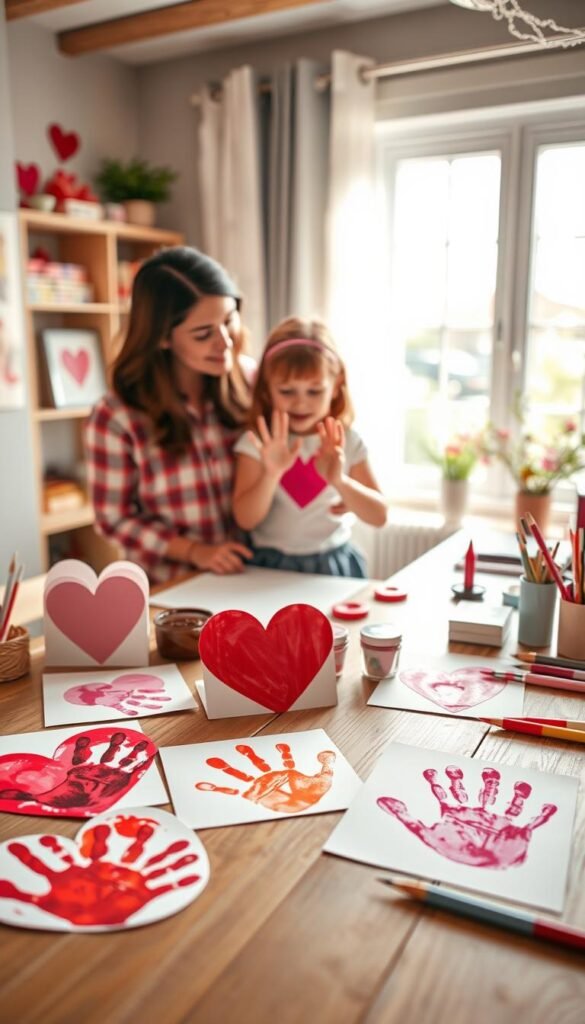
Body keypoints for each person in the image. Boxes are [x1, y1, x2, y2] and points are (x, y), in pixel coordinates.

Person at [85, 246, 254, 584]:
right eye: (203, 333)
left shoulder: (251, 382)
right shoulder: (116, 416)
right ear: (162, 337)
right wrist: (194, 551)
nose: (225, 342)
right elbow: (114, 519)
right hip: (171, 589)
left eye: (229, 320)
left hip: (252, 575)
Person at [232, 317, 387, 577]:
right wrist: (271, 473)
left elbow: (379, 516)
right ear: (267, 390)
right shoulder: (257, 443)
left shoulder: (346, 441)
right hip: (270, 566)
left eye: (314, 391)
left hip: (333, 564)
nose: (301, 403)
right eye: (287, 391)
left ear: (336, 387)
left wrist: (339, 481)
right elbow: (245, 519)